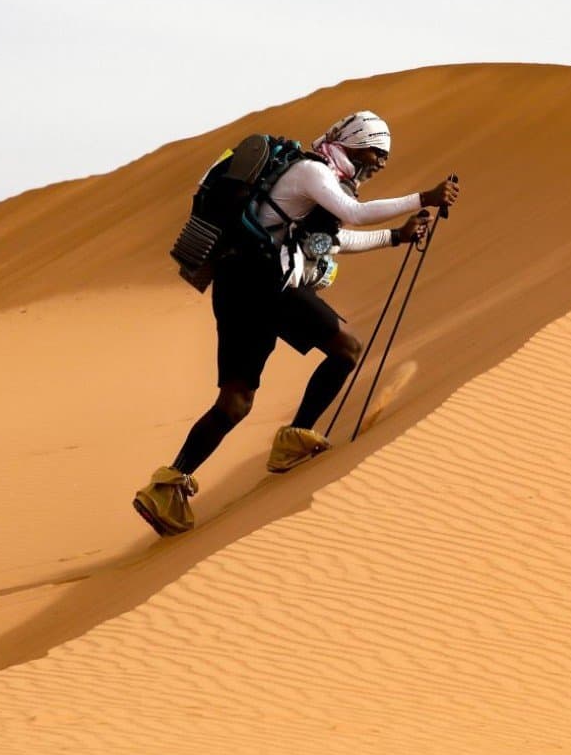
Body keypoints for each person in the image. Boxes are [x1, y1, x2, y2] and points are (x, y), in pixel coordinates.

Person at [133, 111, 460, 537]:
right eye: (375, 152)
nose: (379, 164)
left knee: (237, 401)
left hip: (242, 287)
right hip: (262, 284)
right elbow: (355, 215)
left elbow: (333, 241)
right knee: (346, 349)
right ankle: (294, 440)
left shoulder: (320, 185)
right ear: (356, 140)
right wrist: (425, 197)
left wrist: (396, 237)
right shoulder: (311, 172)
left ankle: (166, 486)